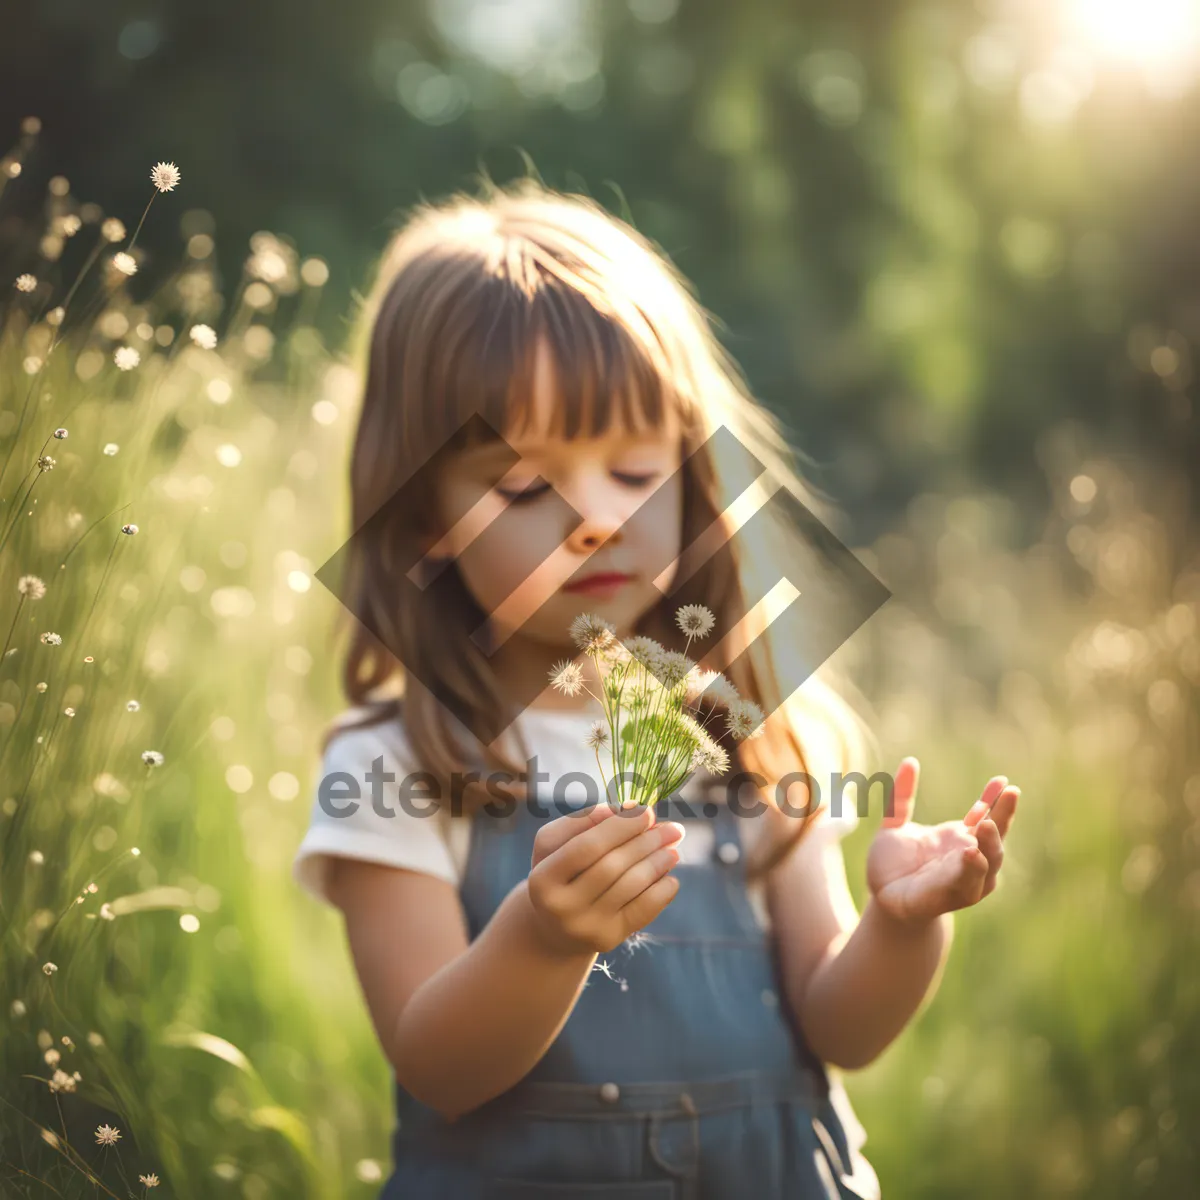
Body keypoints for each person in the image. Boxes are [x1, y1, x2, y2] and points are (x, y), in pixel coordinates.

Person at [292, 177, 1021, 1199]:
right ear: (419, 517)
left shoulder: (746, 734)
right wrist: (543, 938)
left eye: (636, 471)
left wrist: (903, 926)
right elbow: (438, 1068)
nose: (592, 515)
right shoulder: (398, 762)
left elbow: (839, 1029)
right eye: (522, 486)